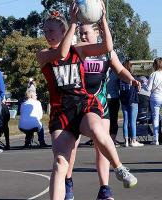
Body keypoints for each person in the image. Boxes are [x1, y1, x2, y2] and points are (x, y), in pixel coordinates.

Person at [36, 2, 137, 200]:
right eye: (45, 30)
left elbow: (107, 47)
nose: (48, 34)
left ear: (63, 30)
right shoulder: (43, 55)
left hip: (83, 105)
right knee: (59, 163)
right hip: (61, 112)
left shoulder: (79, 49)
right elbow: (61, 53)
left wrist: (103, 20)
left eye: (52, 30)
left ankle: (119, 168)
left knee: (98, 130)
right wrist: (73, 23)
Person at [65, 23, 142, 200]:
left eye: (86, 33)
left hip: (99, 104)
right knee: (72, 147)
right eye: (80, 33)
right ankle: (68, 183)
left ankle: (104, 189)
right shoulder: (76, 50)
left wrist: (132, 80)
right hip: (76, 105)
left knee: (102, 146)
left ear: (98, 33)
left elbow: (120, 69)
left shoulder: (107, 52)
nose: (83, 36)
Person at [119, 60, 144, 147]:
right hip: (133, 100)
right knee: (133, 121)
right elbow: (139, 87)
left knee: (125, 121)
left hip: (124, 101)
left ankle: (126, 140)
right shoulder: (133, 77)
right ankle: (133, 140)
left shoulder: (121, 79)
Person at [146, 57, 162, 145]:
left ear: (155, 65)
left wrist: (144, 84)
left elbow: (148, 88)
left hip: (155, 97)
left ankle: (156, 139)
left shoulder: (153, 74)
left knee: (155, 118)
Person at [107, 69, 120, 146]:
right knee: (113, 119)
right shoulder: (116, 73)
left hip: (108, 97)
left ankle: (110, 138)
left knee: (107, 119)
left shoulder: (105, 71)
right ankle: (112, 138)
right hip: (113, 97)